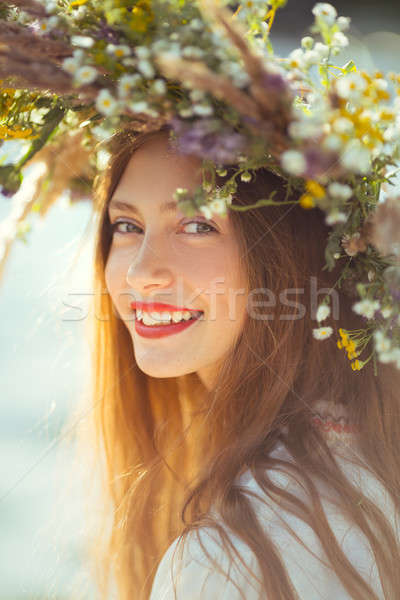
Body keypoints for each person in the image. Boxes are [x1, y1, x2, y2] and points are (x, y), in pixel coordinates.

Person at [81, 122, 400, 600]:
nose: (142, 272)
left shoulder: (226, 561)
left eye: (197, 225)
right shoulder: (368, 448)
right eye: (127, 225)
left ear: (289, 253)